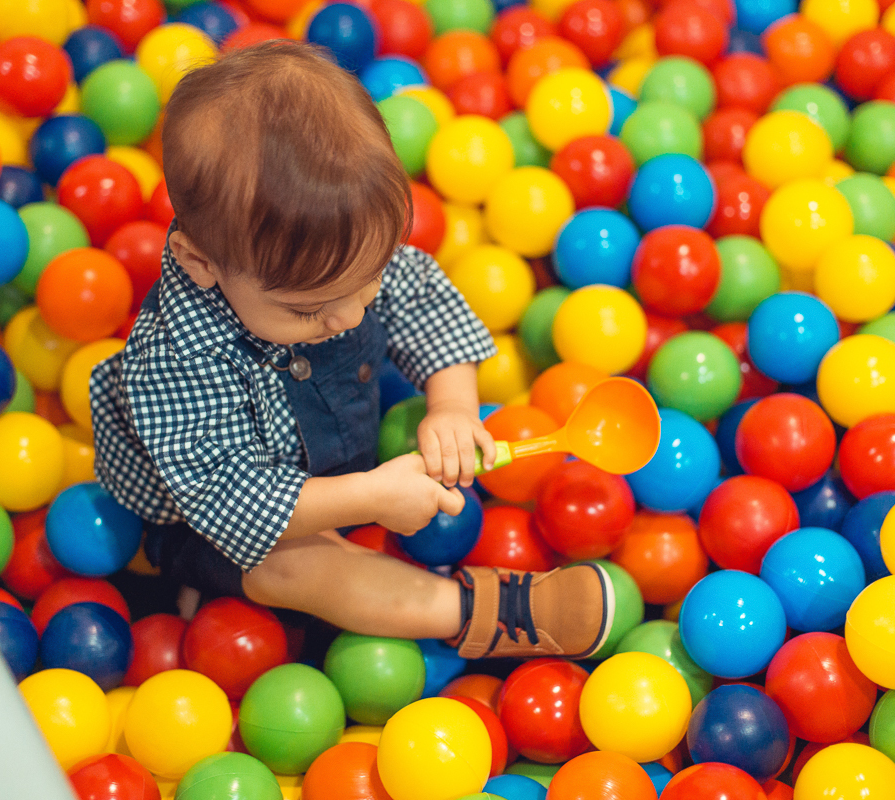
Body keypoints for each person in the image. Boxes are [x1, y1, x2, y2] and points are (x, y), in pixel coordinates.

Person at [90, 41, 614, 659]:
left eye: (368, 283)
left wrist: (451, 405)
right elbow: (233, 499)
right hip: (218, 520)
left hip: (343, 462)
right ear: (202, 262)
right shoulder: (176, 360)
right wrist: (369, 497)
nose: (349, 315)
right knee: (286, 568)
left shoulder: (342, 250)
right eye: (307, 309)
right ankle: (487, 612)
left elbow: (422, 299)